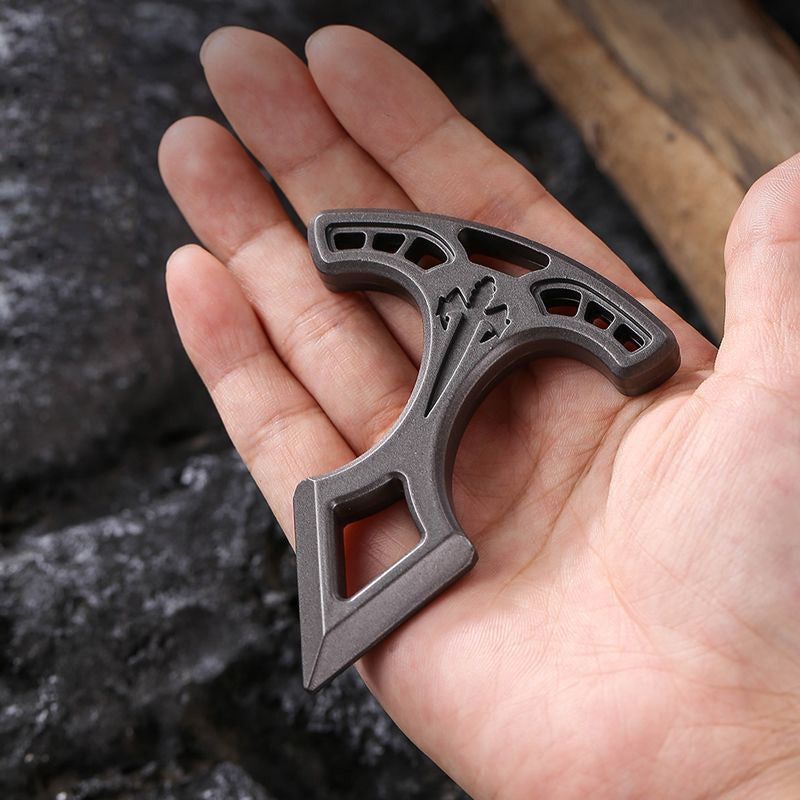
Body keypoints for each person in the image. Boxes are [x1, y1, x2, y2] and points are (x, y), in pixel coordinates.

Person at [158, 25, 800, 799]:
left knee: (400, 452)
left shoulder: (521, 289)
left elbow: (638, 347)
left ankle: (406, 529)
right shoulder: (494, 281)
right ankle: (397, 535)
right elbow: (338, 240)